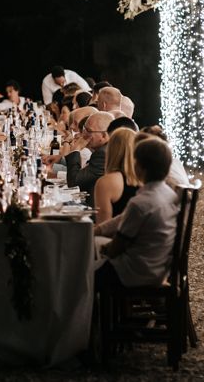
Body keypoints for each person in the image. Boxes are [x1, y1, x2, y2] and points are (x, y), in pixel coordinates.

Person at [94, 137, 180, 288]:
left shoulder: (140, 203)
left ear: (140, 167)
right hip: (158, 268)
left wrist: (104, 248)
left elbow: (117, 248)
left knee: (84, 274)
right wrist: (98, 230)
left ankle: (98, 311)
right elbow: (123, 218)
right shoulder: (169, 194)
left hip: (133, 272)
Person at [65, 111, 113, 205]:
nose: (83, 135)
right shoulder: (104, 149)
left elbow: (74, 182)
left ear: (104, 135)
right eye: (84, 129)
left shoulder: (103, 154)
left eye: (89, 131)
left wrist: (76, 149)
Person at [93, 128, 140, 225]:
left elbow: (103, 225)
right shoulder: (145, 177)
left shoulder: (107, 182)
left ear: (111, 149)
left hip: (118, 237)